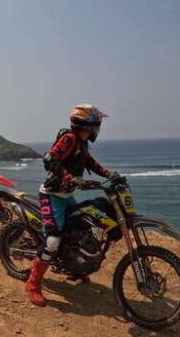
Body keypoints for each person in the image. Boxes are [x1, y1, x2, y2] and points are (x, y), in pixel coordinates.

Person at [25, 104, 120, 306]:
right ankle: (33, 284)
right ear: (84, 125)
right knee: (52, 241)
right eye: (95, 125)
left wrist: (108, 173)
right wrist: (71, 178)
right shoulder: (69, 138)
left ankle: (75, 267)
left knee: (82, 228)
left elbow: (90, 162)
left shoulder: (81, 143)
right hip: (51, 195)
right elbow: (50, 159)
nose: (97, 130)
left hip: (66, 195)